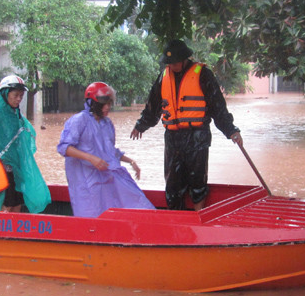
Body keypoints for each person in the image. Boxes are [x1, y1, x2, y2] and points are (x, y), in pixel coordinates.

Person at [130, 39, 243, 211]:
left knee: (197, 182)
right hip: (173, 138)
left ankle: (199, 219)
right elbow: (153, 106)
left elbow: (217, 107)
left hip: (197, 136)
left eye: (175, 62)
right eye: (169, 63)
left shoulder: (202, 73)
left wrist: (231, 130)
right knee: (172, 184)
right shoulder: (163, 76)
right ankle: (176, 222)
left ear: (184, 59)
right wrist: (141, 125)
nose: (172, 66)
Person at [57, 82, 155, 217]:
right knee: (91, 215)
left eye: (110, 104)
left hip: (105, 176)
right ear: (94, 103)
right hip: (85, 181)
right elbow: (64, 148)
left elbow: (110, 151)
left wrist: (130, 161)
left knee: (131, 199)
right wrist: (91, 158)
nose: (108, 107)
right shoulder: (79, 121)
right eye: (105, 104)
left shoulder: (107, 123)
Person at [0, 75, 51, 213]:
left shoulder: (15, 113)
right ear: (5, 94)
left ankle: (14, 231)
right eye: (16, 95)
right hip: (2, 168)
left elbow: (23, 136)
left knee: (17, 201)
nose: (19, 99)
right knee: (7, 202)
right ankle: (0, 231)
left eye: (21, 95)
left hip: (16, 168)